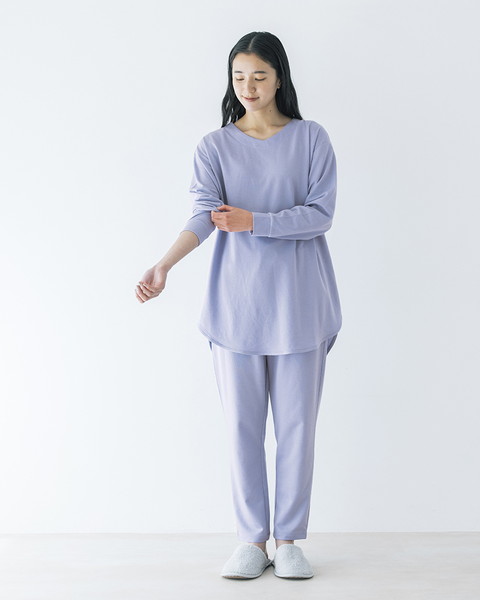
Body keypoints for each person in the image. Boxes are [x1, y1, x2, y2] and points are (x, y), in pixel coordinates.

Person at [135, 31, 342, 580]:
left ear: (279, 78)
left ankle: (289, 540)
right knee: (242, 430)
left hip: (300, 305)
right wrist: (163, 265)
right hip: (236, 307)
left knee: (297, 428)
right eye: (239, 76)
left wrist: (256, 221)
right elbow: (203, 215)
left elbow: (320, 215)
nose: (248, 86)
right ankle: (251, 540)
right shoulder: (215, 147)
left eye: (259, 76)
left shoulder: (311, 139)